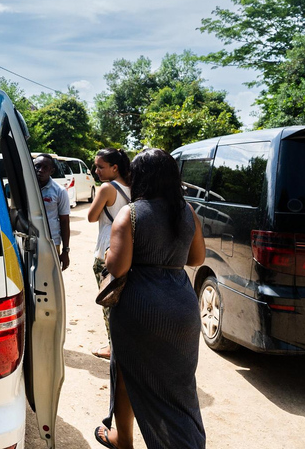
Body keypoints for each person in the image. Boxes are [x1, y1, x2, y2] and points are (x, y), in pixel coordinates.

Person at [95, 148, 206, 449]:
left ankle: (123, 439)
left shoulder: (130, 213)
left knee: (126, 370)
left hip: (139, 307)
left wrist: (108, 255)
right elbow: (197, 259)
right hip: (182, 307)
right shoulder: (188, 212)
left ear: (139, 177)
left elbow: (118, 268)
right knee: (179, 382)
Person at [87, 148, 131, 360]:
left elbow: (91, 216)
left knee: (108, 301)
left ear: (115, 167)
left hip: (106, 250)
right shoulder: (134, 186)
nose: (96, 171)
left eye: (100, 167)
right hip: (127, 250)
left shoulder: (106, 188)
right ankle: (124, 344)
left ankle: (113, 347)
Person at [33, 154, 70, 270]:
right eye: (37, 166)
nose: (40, 170)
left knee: (50, 277)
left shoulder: (59, 191)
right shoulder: (25, 188)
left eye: (45, 168)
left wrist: (65, 251)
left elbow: (64, 221)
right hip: (30, 241)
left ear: (52, 171)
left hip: (51, 243)